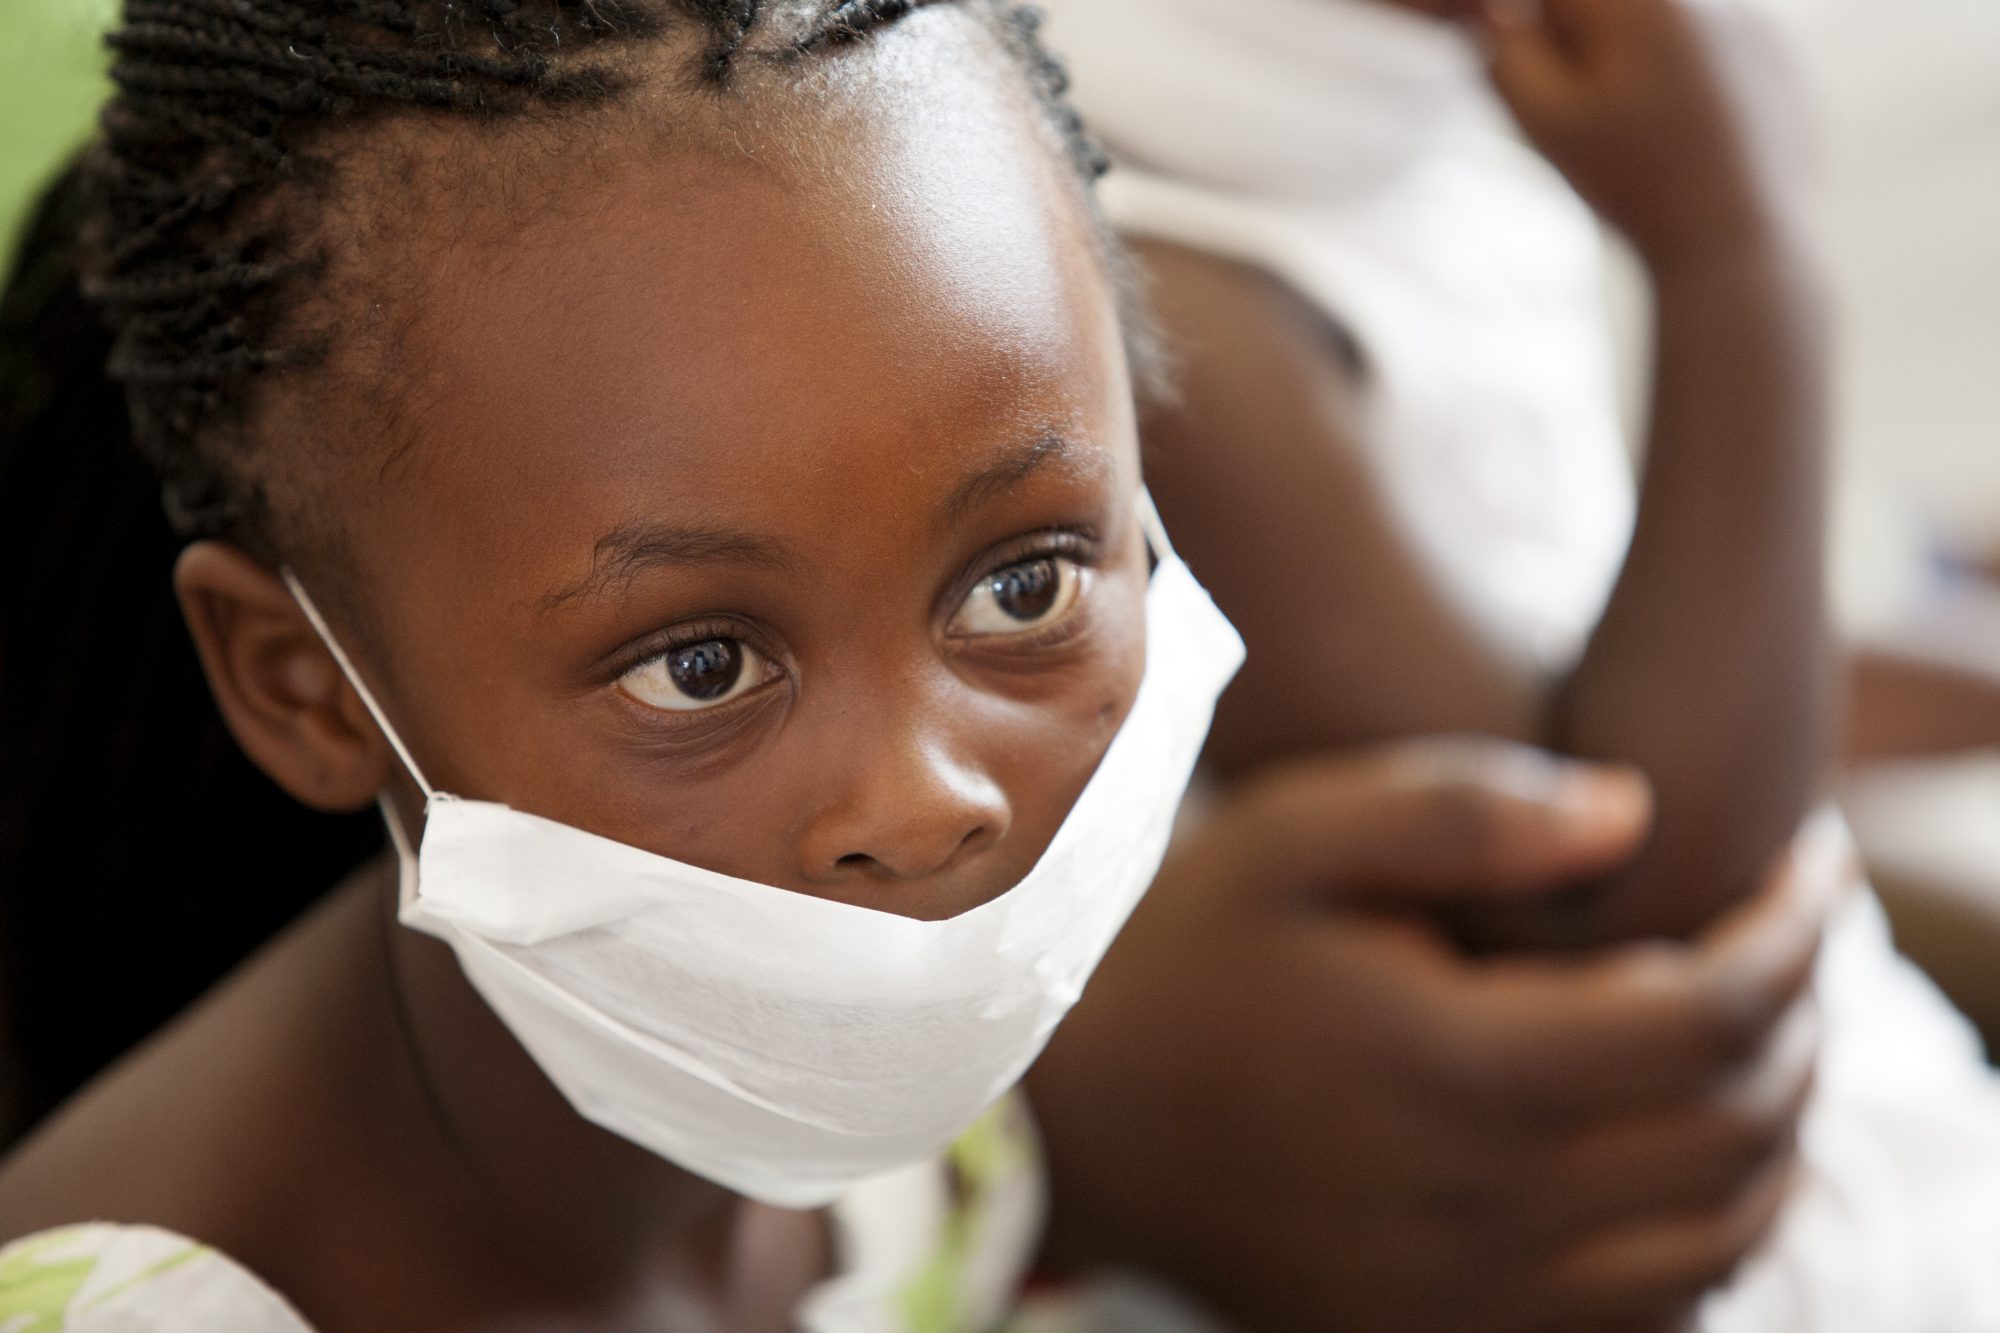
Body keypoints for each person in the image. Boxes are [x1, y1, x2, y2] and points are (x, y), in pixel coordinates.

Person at [0, 2, 1847, 1332]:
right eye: (701, 662)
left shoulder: (886, 1141)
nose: (930, 800)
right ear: (306, 685)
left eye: (1027, 580)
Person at [1033, 0, 2000, 1328]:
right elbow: (1601, 879)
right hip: (1673, 1226)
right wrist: (1740, 254)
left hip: (1823, 1123)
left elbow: (1610, 625)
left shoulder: (1418, 110)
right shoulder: (1140, 271)